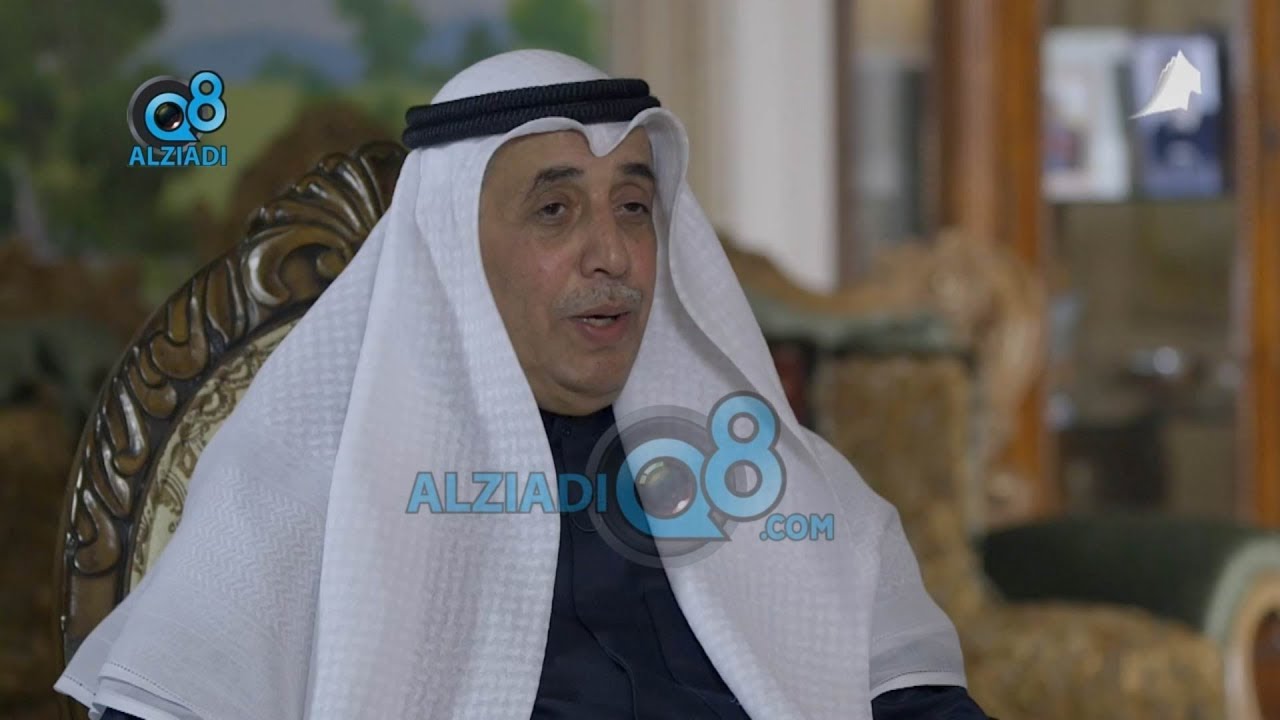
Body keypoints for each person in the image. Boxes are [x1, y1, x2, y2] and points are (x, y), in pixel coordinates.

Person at [57, 50, 991, 719]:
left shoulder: (779, 487)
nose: (613, 254)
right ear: (454, 254)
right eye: (554, 210)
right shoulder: (300, 495)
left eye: (634, 205)